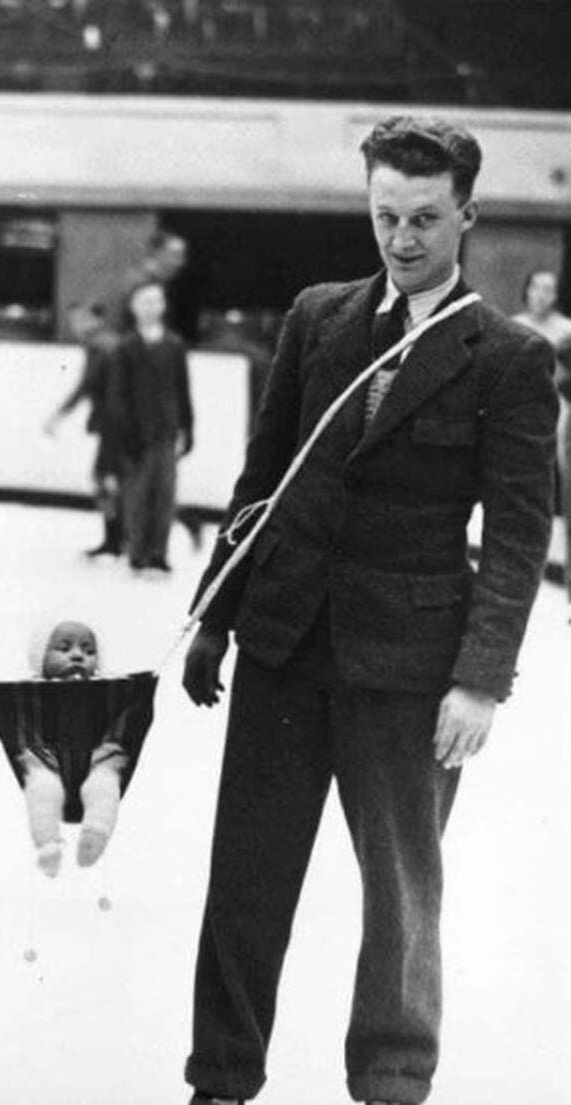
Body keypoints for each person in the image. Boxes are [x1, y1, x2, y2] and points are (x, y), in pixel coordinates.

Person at [181, 116, 557, 1105]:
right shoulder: (319, 316)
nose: (402, 238)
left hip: (413, 661)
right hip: (285, 640)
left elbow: (519, 535)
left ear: (467, 214)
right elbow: (264, 477)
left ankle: (392, 1079)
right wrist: (212, 614)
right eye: (386, 214)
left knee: (401, 893)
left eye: (426, 218)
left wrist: (482, 679)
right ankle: (220, 1077)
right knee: (247, 879)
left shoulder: (508, 358)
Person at [20, 619, 126, 875]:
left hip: (98, 757)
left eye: (89, 651)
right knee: (43, 786)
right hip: (43, 756)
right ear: (40, 657)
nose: (78, 655)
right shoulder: (27, 693)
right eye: (64, 648)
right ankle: (48, 846)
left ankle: (96, 833)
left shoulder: (107, 692)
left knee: (104, 783)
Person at [109, 279, 194, 573]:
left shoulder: (174, 345)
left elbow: (183, 389)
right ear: (134, 307)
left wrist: (188, 426)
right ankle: (137, 551)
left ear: (163, 306)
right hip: (137, 433)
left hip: (166, 431)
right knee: (137, 495)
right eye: (144, 301)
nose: (150, 307)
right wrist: (125, 433)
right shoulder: (125, 348)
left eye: (156, 301)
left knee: (165, 495)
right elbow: (117, 396)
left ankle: (159, 552)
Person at [44, 301, 124, 558]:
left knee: (104, 478)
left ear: (94, 319)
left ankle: (114, 541)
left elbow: (87, 385)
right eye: (72, 321)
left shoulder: (100, 345)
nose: (75, 326)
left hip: (115, 424)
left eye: (80, 320)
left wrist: (59, 414)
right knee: (118, 480)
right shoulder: (108, 342)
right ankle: (118, 539)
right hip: (119, 422)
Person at [513, 268, 571, 608]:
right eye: (537, 288)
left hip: (561, 414)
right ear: (527, 290)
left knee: (562, 489)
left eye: (549, 289)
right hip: (521, 416)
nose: (542, 295)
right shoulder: (513, 325)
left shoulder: (566, 330)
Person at [103, 229, 189, 336]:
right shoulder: (136, 283)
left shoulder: (160, 284)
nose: (180, 263)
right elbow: (114, 324)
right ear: (156, 253)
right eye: (175, 255)